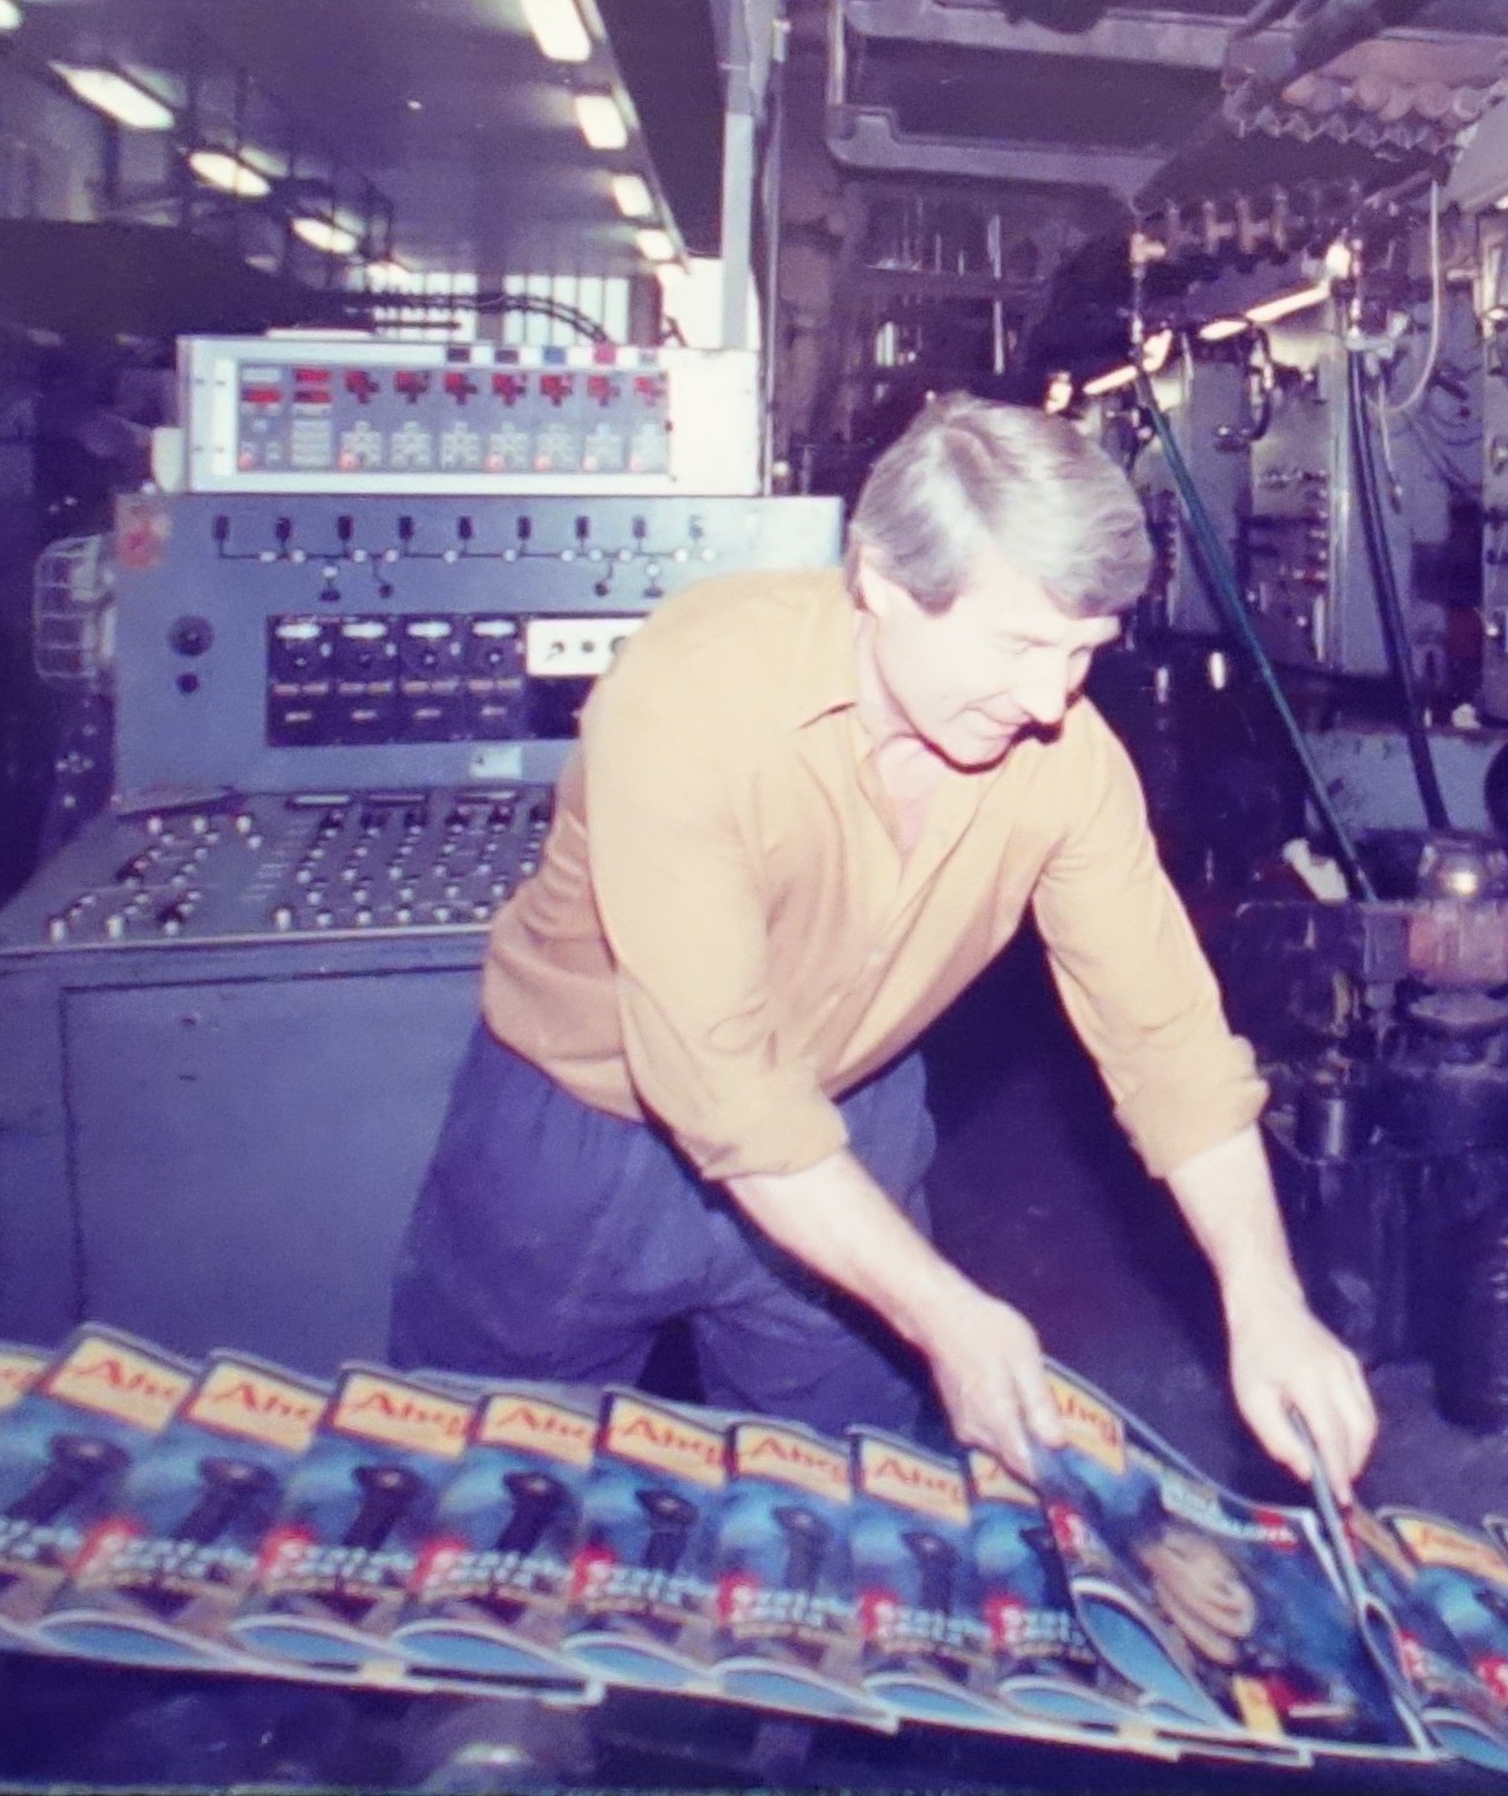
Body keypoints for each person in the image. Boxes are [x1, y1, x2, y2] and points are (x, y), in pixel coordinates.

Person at [387, 394, 1377, 1496]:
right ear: (882, 583)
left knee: (846, 1514)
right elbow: (726, 1090)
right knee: (487, 1510)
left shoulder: (1067, 762)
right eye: (1018, 645)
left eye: (1081, 652)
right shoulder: (693, 693)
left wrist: (1266, 1301)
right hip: (586, 1140)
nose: (1051, 701)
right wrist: (945, 1311)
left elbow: (1170, 1047)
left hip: (848, 1123)